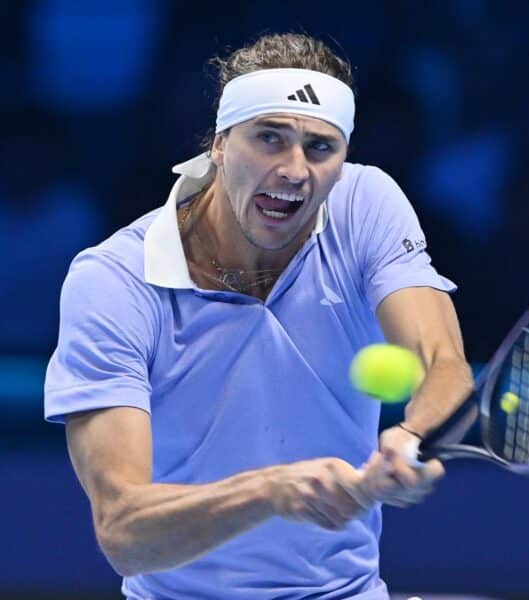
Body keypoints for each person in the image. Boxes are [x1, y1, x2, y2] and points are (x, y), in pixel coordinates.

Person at [44, 33, 474, 599]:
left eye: (320, 147)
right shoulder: (114, 282)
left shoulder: (366, 205)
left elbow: (443, 362)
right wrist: (269, 491)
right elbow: (124, 532)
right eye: (269, 138)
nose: (294, 169)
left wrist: (415, 436)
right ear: (219, 144)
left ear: (341, 162)